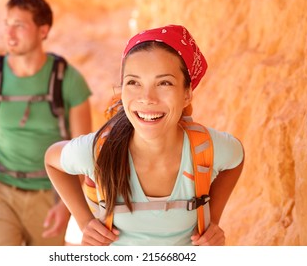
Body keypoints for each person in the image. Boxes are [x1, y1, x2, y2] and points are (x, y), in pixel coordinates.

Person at [44, 24, 244, 246]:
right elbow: (52, 160)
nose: (147, 98)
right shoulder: (98, 151)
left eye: (164, 83)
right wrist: (84, 222)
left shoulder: (206, 148)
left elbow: (236, 158)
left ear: (187, 94)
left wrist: (211, 221)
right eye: (134, 82)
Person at [0, 0, 92, 246]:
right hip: (2, 190)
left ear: (43, 30)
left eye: (19, 25)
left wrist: (66, 207)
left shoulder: (69, 80)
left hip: (50, 195)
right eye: (6, 23)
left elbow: (82, 149)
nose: (9, 33)